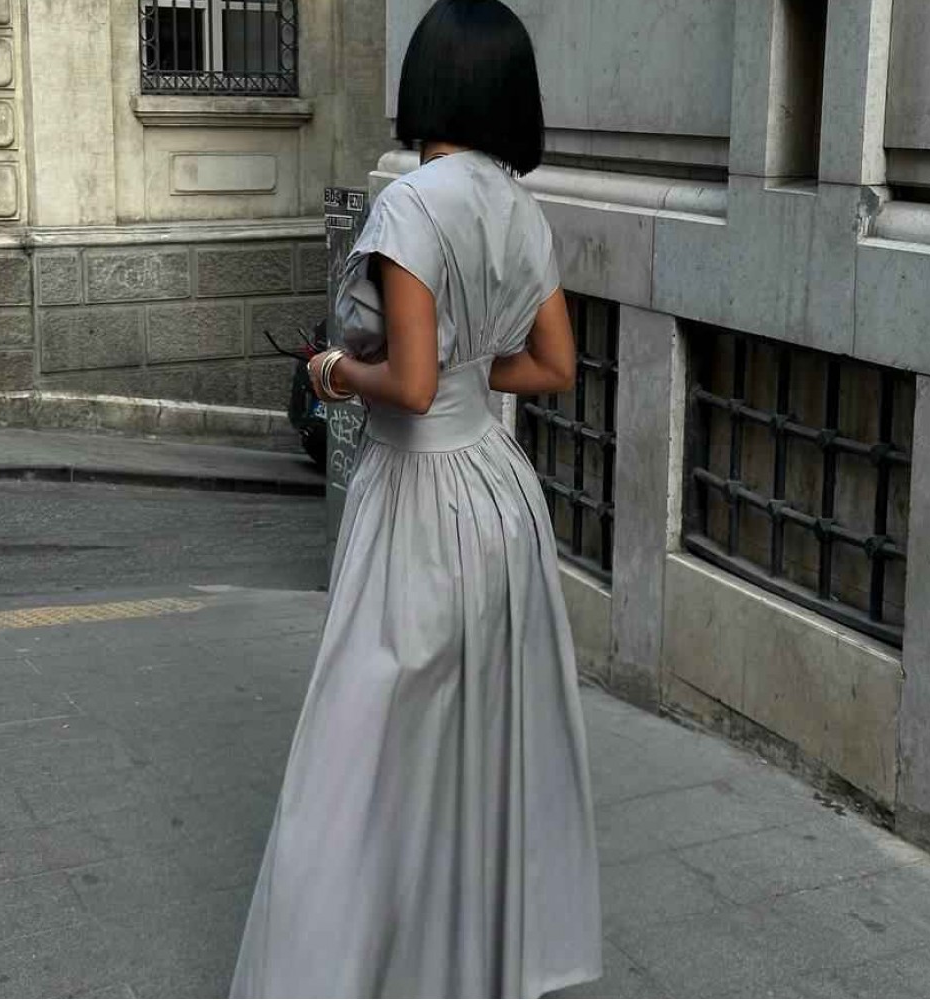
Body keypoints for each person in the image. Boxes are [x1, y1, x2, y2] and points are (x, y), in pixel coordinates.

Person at [230, 1, 603, 996]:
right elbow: (556, 366)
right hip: (499, 497)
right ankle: (461, 963)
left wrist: (333, 374)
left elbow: (411, 382)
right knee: (477, 745)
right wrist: (469, 371)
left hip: (418, 499)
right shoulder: (520, 209)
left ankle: (342, 968)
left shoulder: (410, 203)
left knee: (356, 752)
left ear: (425, 83)